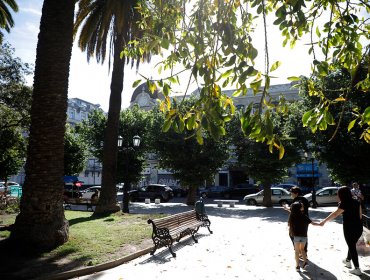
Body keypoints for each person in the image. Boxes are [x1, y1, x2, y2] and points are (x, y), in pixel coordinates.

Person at [320, 186, 363, 276]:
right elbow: (360, 216)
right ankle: (347, 261)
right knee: (352, 244)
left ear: (341, 195)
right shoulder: (357, 202)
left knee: (351, 246)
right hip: (359, 227)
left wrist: (324, 221)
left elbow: (335, 214)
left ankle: (357, 268)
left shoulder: (344, 203)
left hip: (349, 227)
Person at [288, 201, 321, 272]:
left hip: (296, 236)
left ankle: (297, 266)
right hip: (304, 236)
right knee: (302, 250)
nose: (303, 207)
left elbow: (289, 225)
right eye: (302, 206)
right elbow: (313, 223)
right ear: (299, 208)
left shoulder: (292, 216)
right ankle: (305, 262)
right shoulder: (304, 216)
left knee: (297, 251)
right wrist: (320, 224)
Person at [283, 186, 310, 255]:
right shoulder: (304, 199)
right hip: (305, 220)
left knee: (292, 235)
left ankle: (299, 251)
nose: (291, 194)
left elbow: (295, 211)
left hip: (296, 221)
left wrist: (286, 207)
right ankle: (304, 252)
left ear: (296, 193)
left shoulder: (297, 200)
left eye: (291, 193)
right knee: (303, 235)